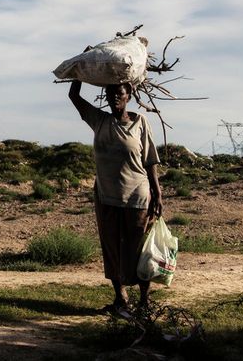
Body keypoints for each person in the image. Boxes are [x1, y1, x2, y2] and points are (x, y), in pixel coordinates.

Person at [68, 79, 163, 312]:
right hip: (106, 195)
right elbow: (74, 96)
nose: (114, 98)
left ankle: (144, 300)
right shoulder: (99, 120)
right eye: (110, 95)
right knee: (111, 246)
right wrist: (80, 70)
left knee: (139, 248)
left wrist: (158, 193)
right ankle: (120, 298)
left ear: (128, 93)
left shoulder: (140, 122)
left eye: (119, 93)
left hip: (137, 196)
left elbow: (150, 159)